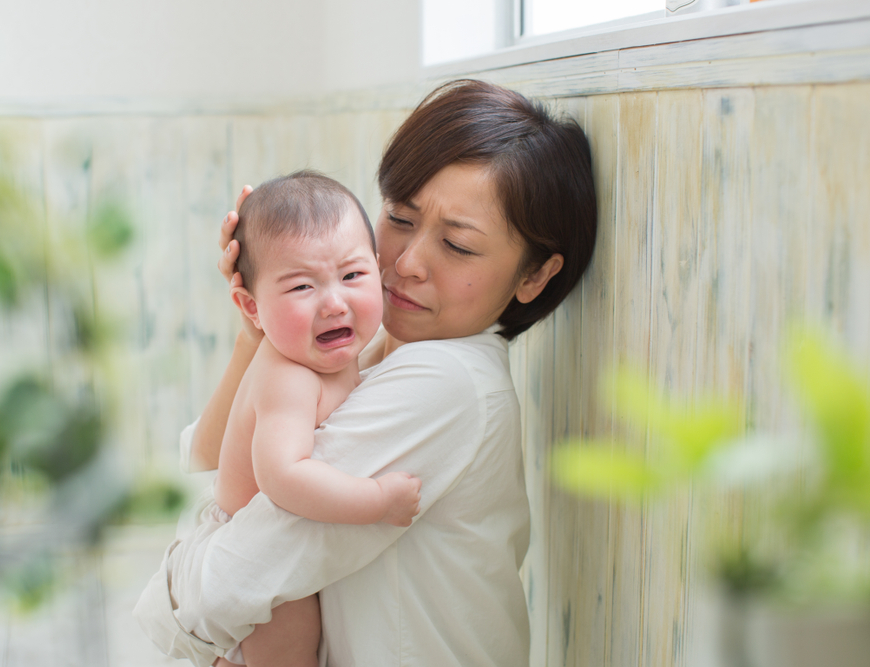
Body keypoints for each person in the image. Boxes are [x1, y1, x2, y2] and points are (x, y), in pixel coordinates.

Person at [134, 79, 597, 667]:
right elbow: (207, 464)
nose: (405, 263)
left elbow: (221, 586)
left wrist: (192, 550)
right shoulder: (370, 351)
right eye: (400, 218)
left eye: (457, 245)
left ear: (533, 277)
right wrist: (259, 333)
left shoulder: (445, 384)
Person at [202, 170, 422, 666]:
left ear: (380, 270)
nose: (334, 302)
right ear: (251, 307)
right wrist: (378, 500)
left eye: (352, 276)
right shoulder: (290, 378)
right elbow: (283, 475)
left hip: (281, 545)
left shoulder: (336, 356)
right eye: (302, 286)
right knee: (291, 650)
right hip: (257, 555)